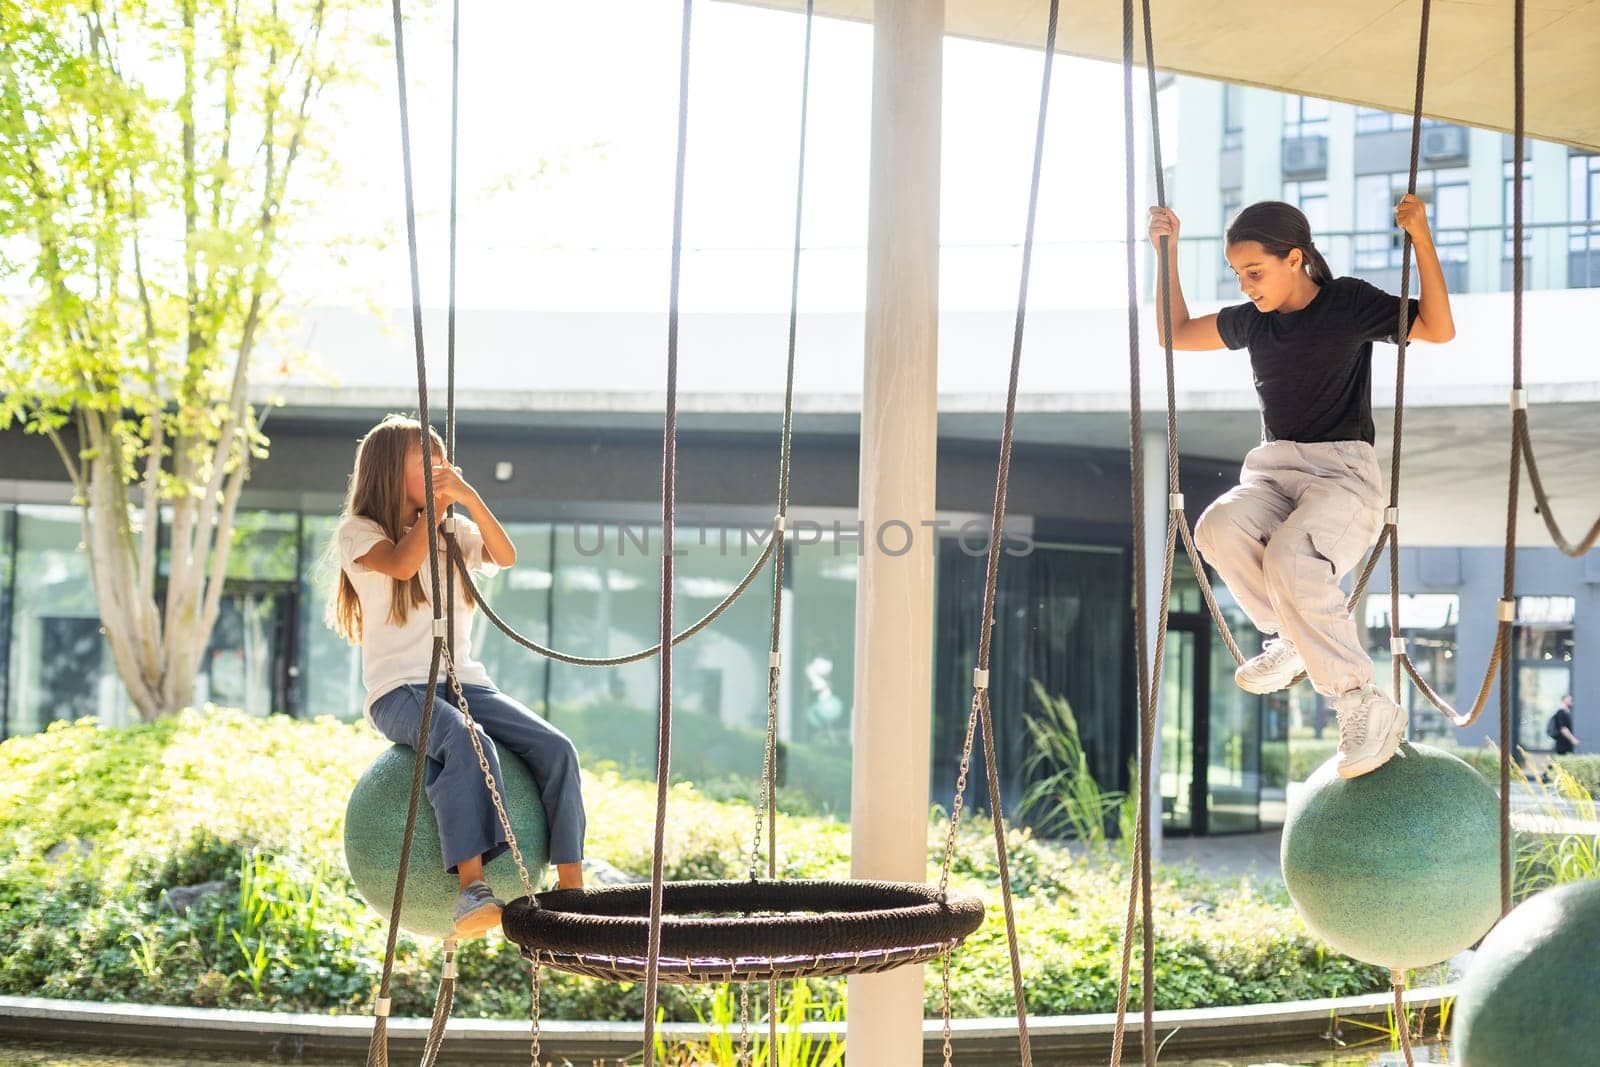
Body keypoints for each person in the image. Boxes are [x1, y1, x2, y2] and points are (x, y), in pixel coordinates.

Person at [1147, 197, 1455, 779]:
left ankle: (1361, 700)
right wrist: (1168, 252)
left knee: (1292, 558)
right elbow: (1175, 332)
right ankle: (1291, 638)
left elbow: (1438, 328)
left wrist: (1420, 236)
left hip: (1342, 476)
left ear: (1295, 259)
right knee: (1217, 525)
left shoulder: (1347, 303)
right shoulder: (1254, 322)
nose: (1246, 285)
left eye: (1254, 272)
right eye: (1237, 275)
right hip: (1274, 473)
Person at [328, 415, 587, 938]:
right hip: (400, 689)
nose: (438, 468)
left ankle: (571, 888)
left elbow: (505, 556)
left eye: (442, 459)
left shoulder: (452, 529)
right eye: (424, 459)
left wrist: (466, 498)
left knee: (557, 749)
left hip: (467, 681)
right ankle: (472, 888)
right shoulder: (359, 532)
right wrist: (438, 511)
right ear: (387, 469)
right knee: (465, 741)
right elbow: (402, 565)